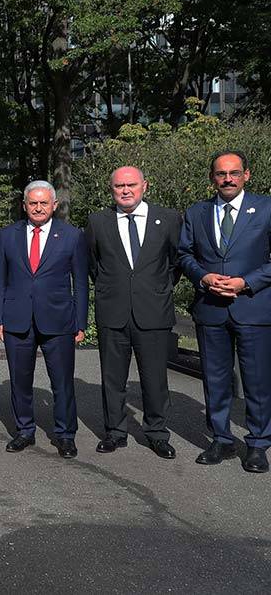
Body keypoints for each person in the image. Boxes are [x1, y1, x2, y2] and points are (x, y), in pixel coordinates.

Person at [177, 150, 271, 473]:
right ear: (212, 178)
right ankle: (222, 438)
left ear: (247, 174)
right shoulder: (196, 212)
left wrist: (246, 282)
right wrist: (202, 276)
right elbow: (184, 254)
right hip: (211, 308)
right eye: (221, 174)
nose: (227, 179)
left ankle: (258, 444)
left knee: (257, 381)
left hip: (253, 308)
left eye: (233, 173)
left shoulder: (266, 208)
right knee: (215, 378)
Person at [85, 167, 180, 459]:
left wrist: (155, 290)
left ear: (144, 186)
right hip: (113, 311)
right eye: (119, 186)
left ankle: (156, 433)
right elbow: (93, 264)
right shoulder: (97, 221)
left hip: (153, 311)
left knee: (155, 378)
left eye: (131, 185)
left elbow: (175, 262)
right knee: (112, 378)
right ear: (110, 189)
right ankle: (115, 432)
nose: (125, 190)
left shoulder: (169, 219)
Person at [0, 180, 88, 458]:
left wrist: (80, 322)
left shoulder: (71, 236)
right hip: (17, 319)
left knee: (62, 382)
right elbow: (1, 279)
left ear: (54, 205)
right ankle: (24, 430)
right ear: (24, 206)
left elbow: (80, 283)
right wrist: (0, 317)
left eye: (43, 203)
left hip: (59, 321)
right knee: (20, 380)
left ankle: (65, 434)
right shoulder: (8, 235)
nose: (38, 208)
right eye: (32, 203)